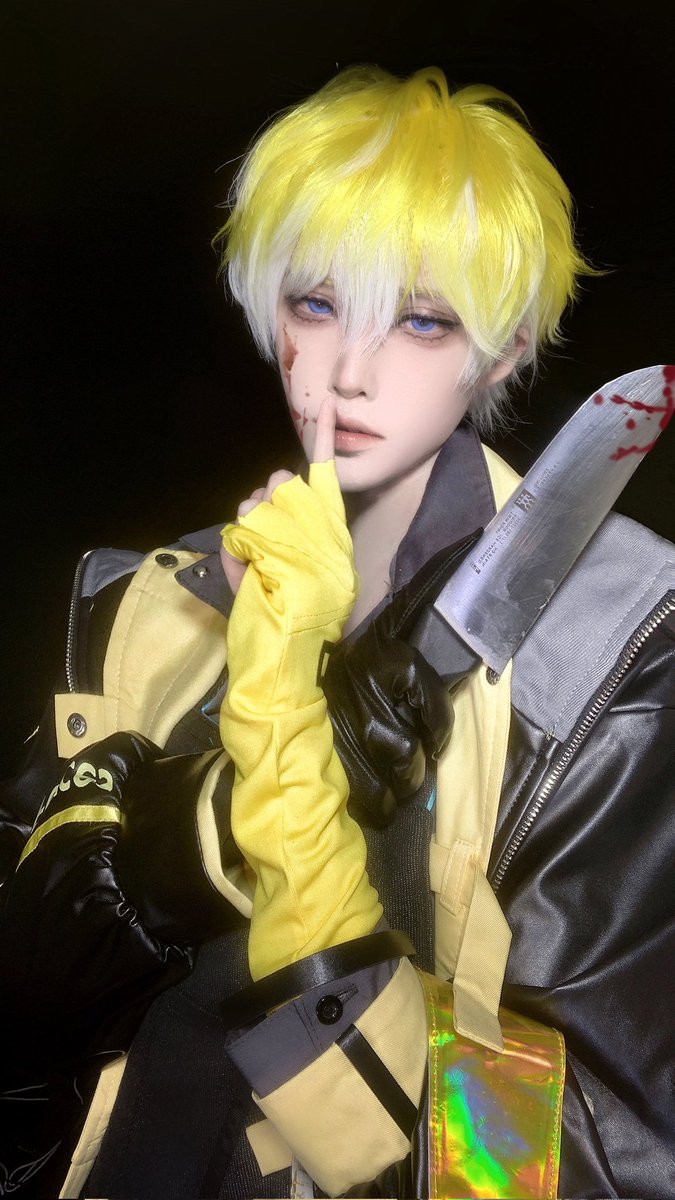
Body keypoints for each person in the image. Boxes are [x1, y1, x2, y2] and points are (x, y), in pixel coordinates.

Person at [0, 64, 673, 1200]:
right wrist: (196, 831)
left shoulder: (613, 647)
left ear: (503, 349)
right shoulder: (142, 608)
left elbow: (578, 1161)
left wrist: (313, 896)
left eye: (421, 319)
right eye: (316, 305)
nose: (350, 373)